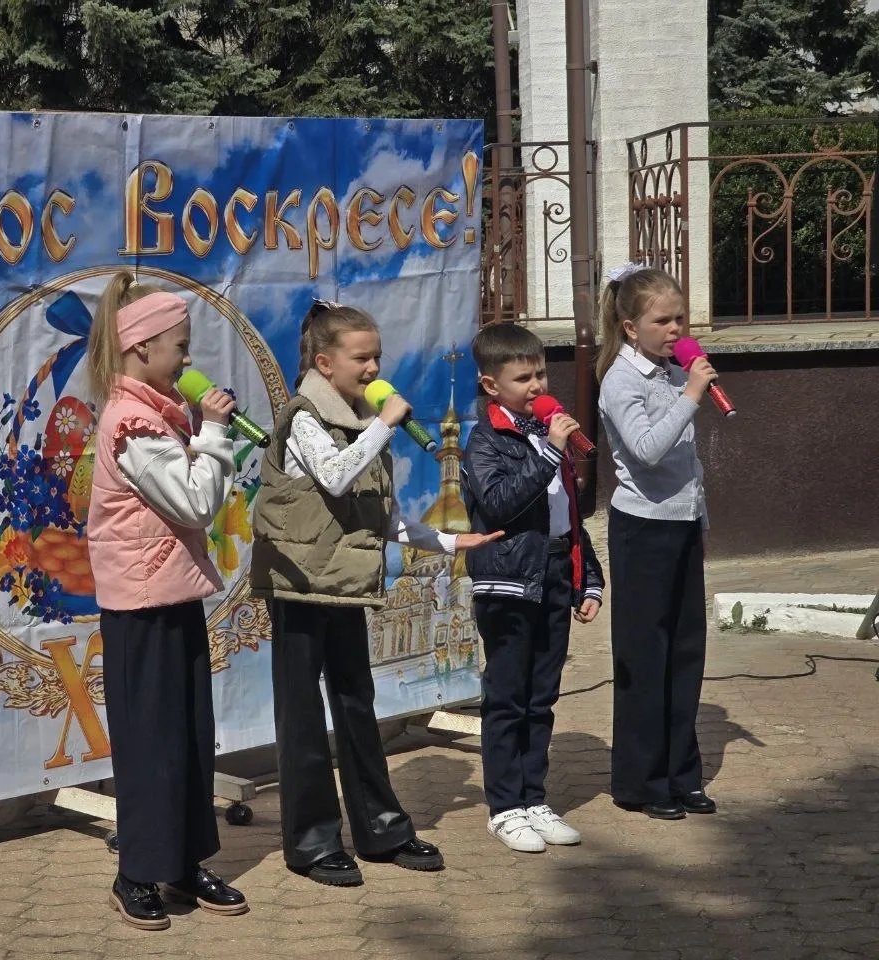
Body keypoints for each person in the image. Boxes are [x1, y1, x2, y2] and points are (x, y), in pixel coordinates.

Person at [250, 299, 501, 886]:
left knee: (356, 703)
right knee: (302, 715)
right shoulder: (306, 416)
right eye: (361, 358)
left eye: (377, 357)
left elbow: (376, 515)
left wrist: (447, 542)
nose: (372, 368)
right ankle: (312, 842)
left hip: (346, 583)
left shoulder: (363, 419)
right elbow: (335, 475)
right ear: (324, 361)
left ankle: (381, 827)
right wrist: (385, 424)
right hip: (301, 585)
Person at [85, 270, 249, 930]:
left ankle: (181, 863)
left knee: (187, 736)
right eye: (179, 347)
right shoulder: (130, 425)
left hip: (171, 592)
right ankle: (137, 873)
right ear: (141, 348)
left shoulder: (156, 414)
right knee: (150, 742)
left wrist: (202, 428)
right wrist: (213, 434)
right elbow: (194, 501)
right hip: (140, 606)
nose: (188, 360)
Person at [461, 322, 605, 852]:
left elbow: (567, 515)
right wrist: (548, 452)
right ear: (492, 385)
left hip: (551, 575)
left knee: (542, 698)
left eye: (541, 373)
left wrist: (586, 578)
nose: (538, 386)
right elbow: (498, 505)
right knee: (508, 698)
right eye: (524, 377)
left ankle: (533, 796)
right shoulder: (485, 440)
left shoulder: (547, 436)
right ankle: (505, 807)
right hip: (506, 582)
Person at [596, 263, 717, 821]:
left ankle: (681, 774)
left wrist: (699, 519)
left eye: (680, 319)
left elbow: (686, 462)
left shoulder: (672, 373)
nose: (676, 330)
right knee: (646, 656)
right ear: (629, 327)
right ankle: (641, 783)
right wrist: (692, 393)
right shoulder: (619, 382)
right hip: (642, 528)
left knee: (686, 652)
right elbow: (646, 449)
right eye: (662, 321)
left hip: (682, 523)